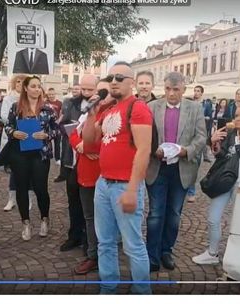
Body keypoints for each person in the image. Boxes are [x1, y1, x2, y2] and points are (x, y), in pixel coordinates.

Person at [82, 61, 152, 294]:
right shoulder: (108, 109)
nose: (113, 82)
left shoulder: (138, 107)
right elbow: (91, 139)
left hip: (124, 186)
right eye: (110, 77)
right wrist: (92, 112)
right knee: (105, 243)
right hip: (104, 184)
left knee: (133, 245)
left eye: (119, 78)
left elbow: (144, 151)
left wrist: (133, 189)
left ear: (131, 82)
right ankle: (108, 289)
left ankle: (142, 293)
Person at [192, 103, 240, 265]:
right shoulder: (230, 135)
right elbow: (222, 156)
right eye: (236, 116)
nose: (238, 119)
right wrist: (214, 144)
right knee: (213, 219)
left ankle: (239, 256)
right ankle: (212, 253)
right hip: (224, 182)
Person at [146, 72, 206, 271]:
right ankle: (152, 256)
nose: (171, 94)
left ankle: (166, 251)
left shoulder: (195, 108)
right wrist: (153, 150)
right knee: (155, 213)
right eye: (168, 89)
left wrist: (186, 150)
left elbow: (201, 137)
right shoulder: (152, 107)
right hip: (157, 167)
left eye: (176, 90)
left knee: (173, 214)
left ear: (184, 89)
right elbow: (145, 136)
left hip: (182, 168)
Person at [0, 76, 58, 241]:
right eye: (33, 86)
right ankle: (25, 222)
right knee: (21, 188)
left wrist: (47, 134)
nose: (37, 89)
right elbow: (8, 126)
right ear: (25, 88)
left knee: (41, 188)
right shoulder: (15, 107)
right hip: (20, 153)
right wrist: (13, 133)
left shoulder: (47, 109)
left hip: (41, 154)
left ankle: (44, 219)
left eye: (39, 86)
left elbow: (57, 129)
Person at [70, 79, 111, 275]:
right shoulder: (88, 112)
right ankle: (93, 255)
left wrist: (86, 146)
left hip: (105, 173)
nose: (95, 96)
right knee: (90, 216)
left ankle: (104, 254)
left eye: (101, 92)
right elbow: (73, 133)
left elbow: (103, 143)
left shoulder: (111, 113)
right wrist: (80, 145)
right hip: (86, 172)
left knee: (106, 218)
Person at [59, 75, 97, 252]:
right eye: (84, 89)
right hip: (72, 159)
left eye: (91, 90)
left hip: (91, 162)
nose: (87, 93)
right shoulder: (70, 102)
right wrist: (71, 129)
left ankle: (89, 239)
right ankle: (74, 236)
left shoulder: (101, 105)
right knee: (73, 200)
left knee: (90, 204)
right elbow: (62, 124)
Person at [0, 74, 28, 211]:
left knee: (29, 170)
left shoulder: (31, 98)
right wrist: (16, 124)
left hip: (28, 137)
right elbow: (4, 116)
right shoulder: (8, 98)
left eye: (23, 82)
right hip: (13, 137)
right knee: (14, 170)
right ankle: (11, 199)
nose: (20, 84)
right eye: (18, 81)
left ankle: (28, 199)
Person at [55, 84, 82, 183]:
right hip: (66, 130)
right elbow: (62, 114)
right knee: (65, 153)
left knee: (74, 154)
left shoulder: (83, 103)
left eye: (77, 89)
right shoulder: (67, 101)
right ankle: (63, 174)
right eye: (74, 89)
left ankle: (73, 174)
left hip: (77, 131)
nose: (75, 90)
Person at [45, 87, 63, 165]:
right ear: (47, 95)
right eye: (49, 94)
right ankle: (47, 156)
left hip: (57, 125)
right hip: (47, 125)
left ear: (55, 94)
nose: (51, 96)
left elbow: (62, 113)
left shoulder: (59, 103)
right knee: (46, 141)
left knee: (57, 143)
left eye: (52, 94)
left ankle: (57, 158)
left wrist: (59, 120)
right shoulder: (45, 103)